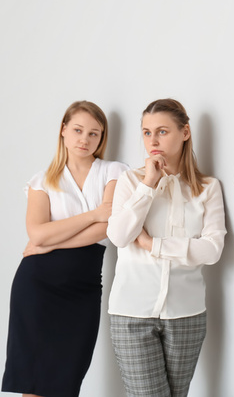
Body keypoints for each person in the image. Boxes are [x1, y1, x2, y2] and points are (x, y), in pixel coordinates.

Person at [2, 101, 127, 397]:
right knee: (33, 383)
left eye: (94, 134)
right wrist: (93, 214)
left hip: (82, 288)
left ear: (102, 138)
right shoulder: (42, 181)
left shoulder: (114, 172)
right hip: (36, 287)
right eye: (78, 130)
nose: (85, 139)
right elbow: (36, 232)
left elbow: (108, 227)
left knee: (67, 381)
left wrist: (50, 241)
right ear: (63, 130)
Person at [106, 98, 226, 397]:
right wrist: (148, 184)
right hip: (131, 313)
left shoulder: (207, 187)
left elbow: (212, 250)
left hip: (187, 314)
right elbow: (119, 236)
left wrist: (152, 244)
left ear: (185, 132)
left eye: (162, 131)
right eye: (146, 132)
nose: (153, 140)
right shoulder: (130, 182)